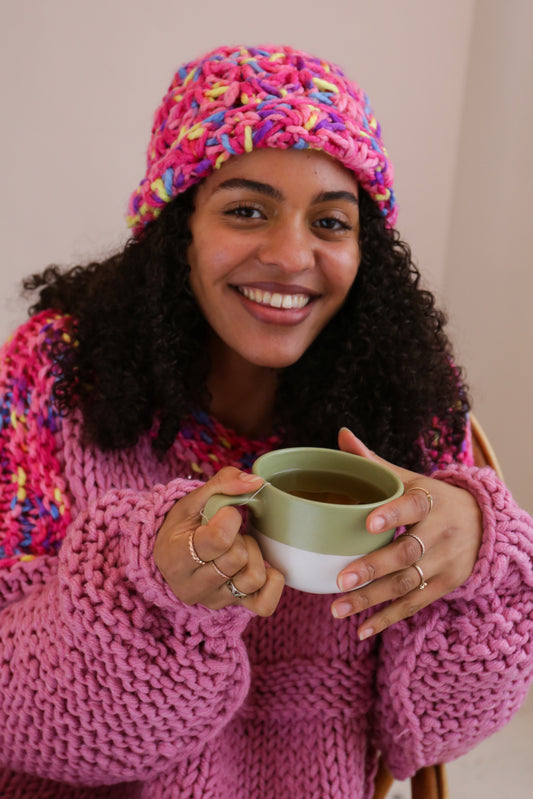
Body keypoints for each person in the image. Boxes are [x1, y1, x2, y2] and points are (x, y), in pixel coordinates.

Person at [0, 43, 531, 799]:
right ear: (177, 228)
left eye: (330, 221)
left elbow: (434, 729)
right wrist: (149, 584)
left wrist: (479, 562)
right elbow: (17, 710)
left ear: (365, 250)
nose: (290, 255)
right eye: (246, 209)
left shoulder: (404, 397)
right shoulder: (55, 377)